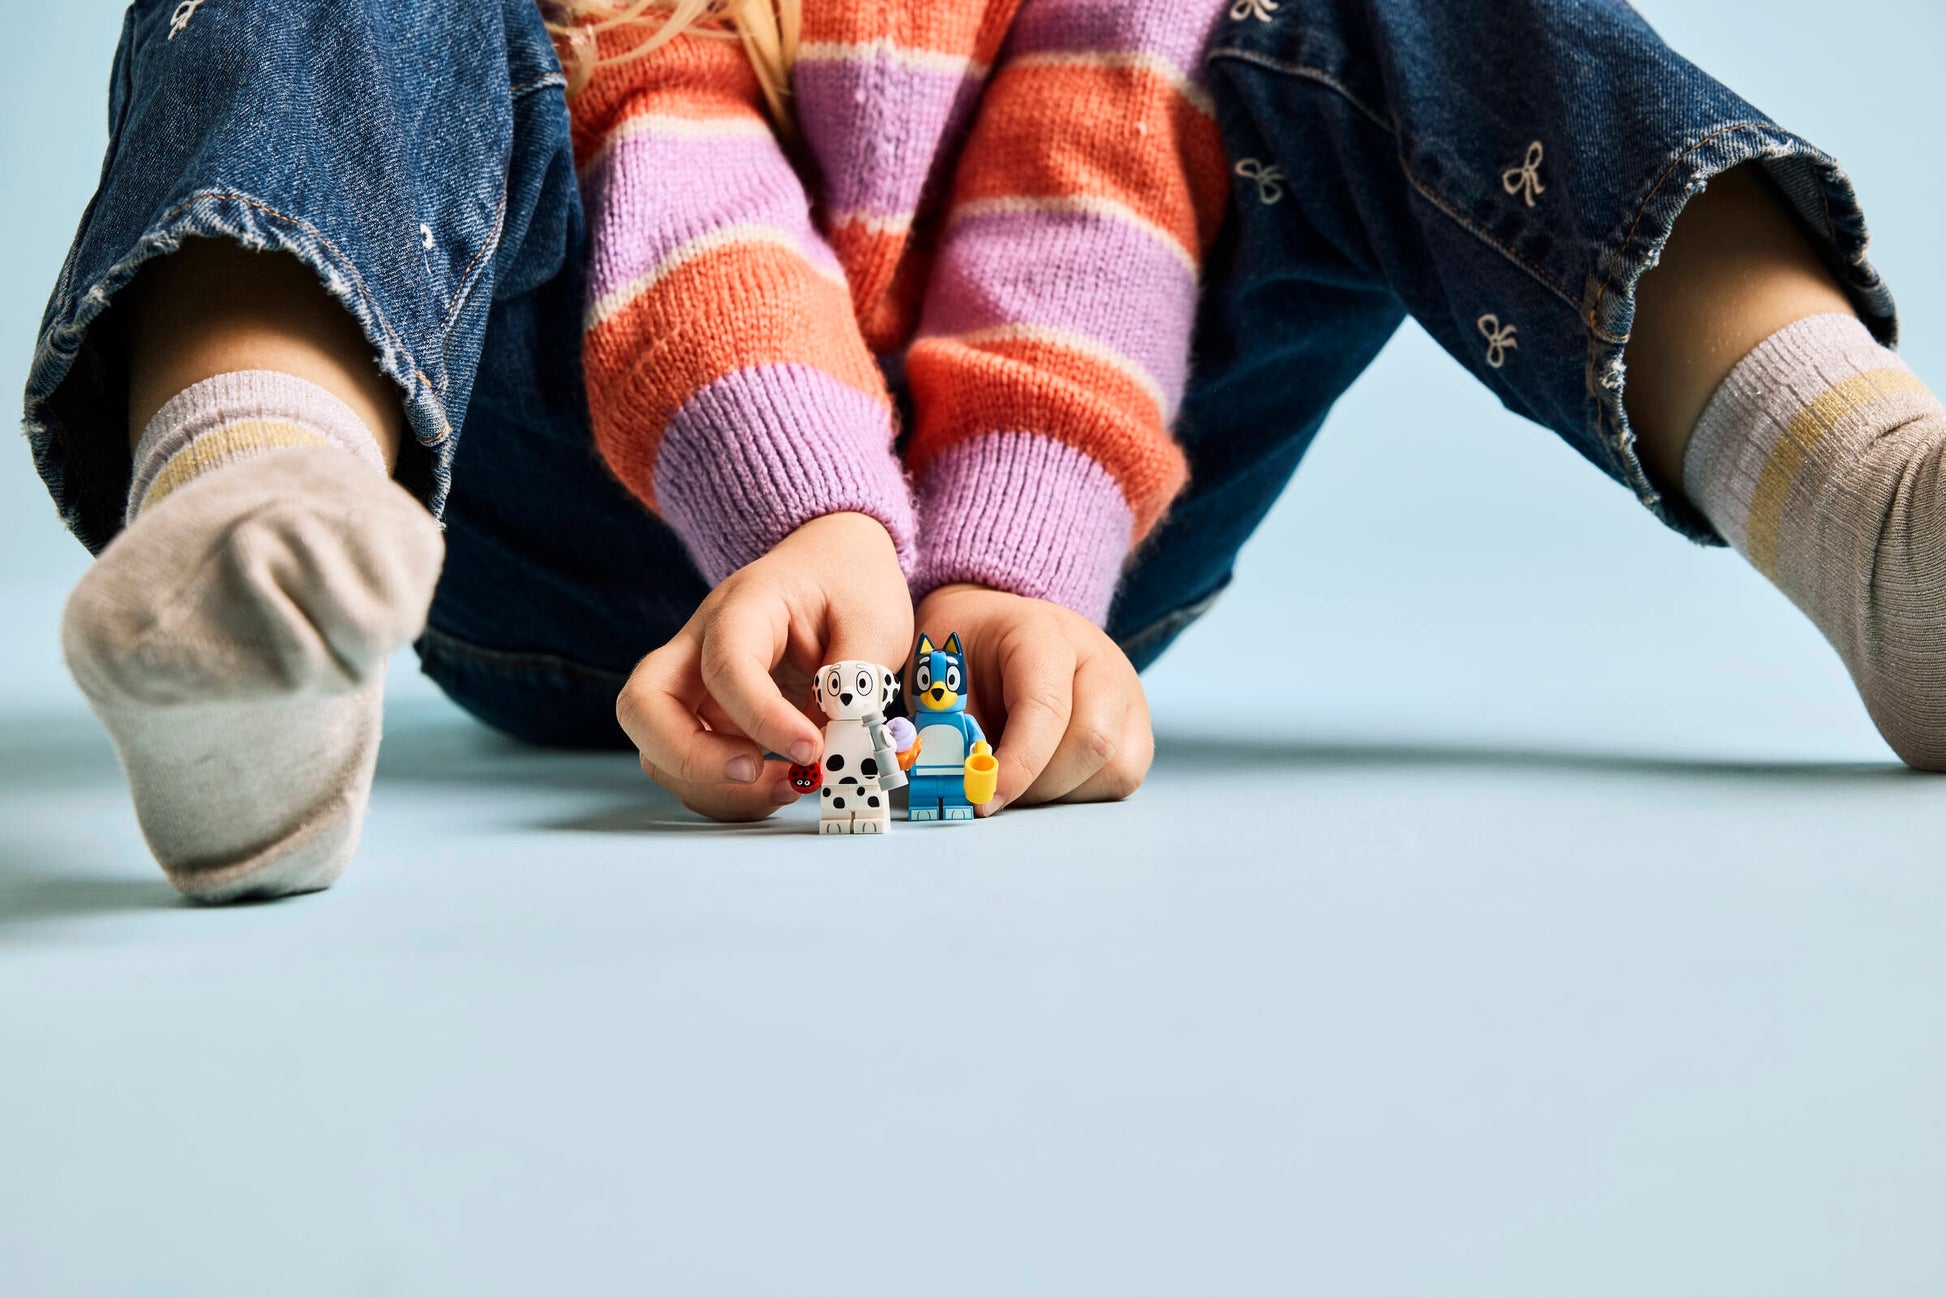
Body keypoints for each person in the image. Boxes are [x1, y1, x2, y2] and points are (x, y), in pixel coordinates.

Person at [24, 0, 1928, 903]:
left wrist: (1015, 563)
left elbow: (1093, 161)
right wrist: (802, 508)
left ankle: (1862, 501)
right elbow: (668, 138)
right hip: (568, 510)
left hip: (1058, 549)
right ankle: (257, 530)